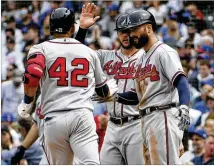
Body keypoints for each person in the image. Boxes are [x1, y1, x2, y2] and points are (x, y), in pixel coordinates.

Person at [17, 4, 118, 165]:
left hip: (53, 118)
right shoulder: (89, 52)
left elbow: (32, 75)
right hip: (81, 116)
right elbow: (102, 91)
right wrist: (109, 91)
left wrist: (27, 102)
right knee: (91, 163)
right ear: (72, 27)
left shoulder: (41, 48)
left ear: (50, 28)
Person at [113, 10, 191, 164]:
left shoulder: (164, 52)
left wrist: (184, 107)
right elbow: (138, 96)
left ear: (148, 28)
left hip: (163, 116)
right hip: (146, 120)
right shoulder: (141, 58)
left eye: (134, 29)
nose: (131, 34)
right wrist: (113, 96)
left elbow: (181, 81)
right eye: (129, 31)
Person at [95, 14, 144, 165]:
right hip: (112, 125)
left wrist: (114, 96)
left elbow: (143, 96)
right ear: (117, 33)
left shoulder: (147, 58)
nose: (125, 35)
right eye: (122, 31)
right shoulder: (106, 56)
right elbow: (77, 54)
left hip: (136, 124)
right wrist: (83, 28)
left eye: (129, 31)